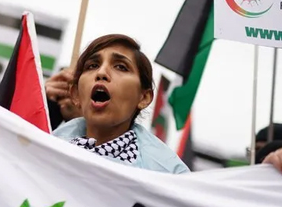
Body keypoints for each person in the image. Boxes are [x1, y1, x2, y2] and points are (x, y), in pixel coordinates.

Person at [52, 34, 189, 173]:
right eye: (93, 65)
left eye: (121, 67)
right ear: (75, 94)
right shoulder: (43, 152)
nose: (101, 72)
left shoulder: (170, 178)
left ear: (144, 98)